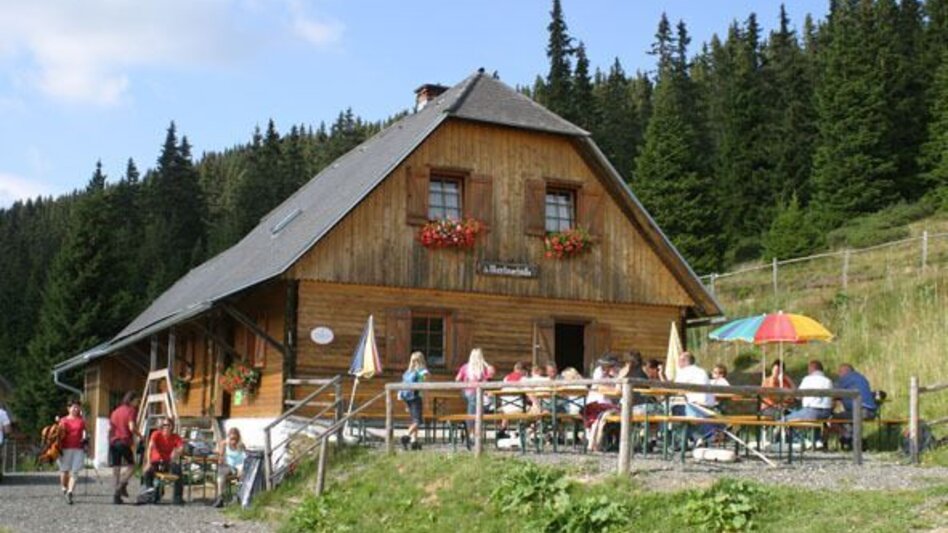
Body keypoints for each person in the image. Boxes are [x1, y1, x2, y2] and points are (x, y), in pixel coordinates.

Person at [673, 352, 715, 443]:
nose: (678, 363)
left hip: (696, 406)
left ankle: (678, 441)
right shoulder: (701, 371)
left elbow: (675, 389)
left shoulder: (684, 371)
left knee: (672, 410)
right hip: (708, 405)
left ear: (684, 361)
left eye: (679, 360)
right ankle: (695, 437)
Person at [142, 416, 185, 505]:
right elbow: (150, 448)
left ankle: (178, 497)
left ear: (172, 426)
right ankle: (150, 490)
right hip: (155, 461)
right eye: (164, 425)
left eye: (168, 425)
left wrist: (177, 451)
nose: (165, 427)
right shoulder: (156, 434)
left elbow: (181, 447)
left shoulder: (175, 437)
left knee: (177, 469)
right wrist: (148, 462)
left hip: (166, 462)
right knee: (148, 471)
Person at [835, 363, 878, 448]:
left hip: (862, 411)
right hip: (871, 412)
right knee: (847, 416)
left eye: (840, 372)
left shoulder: (847, 378)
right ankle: (853, 439)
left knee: (833, 418)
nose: (838, 375)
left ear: (846, 371)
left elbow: (834, 391)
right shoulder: (861, 378)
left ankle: (848, 437)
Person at [109, 391, 139, 504]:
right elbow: (131, 427)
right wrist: (139, 434)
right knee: (132, 466)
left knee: (116, 469)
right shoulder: (131, 410)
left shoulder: (115, 411)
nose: (137, 403)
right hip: (124, 441)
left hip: (113, 442)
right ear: (131, 400)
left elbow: (110, 428)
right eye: (137, 401)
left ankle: (116, 497)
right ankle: (121, 486)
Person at [454, 348, 495, 428]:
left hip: (469, 393)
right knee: (476, 400)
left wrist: (465, 384)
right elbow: (489, 378)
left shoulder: (466, 367)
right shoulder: (483, 368)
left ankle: (470, 426)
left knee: (476, 402)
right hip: (475, 394)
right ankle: (471, 426)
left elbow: (457, 379)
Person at [398, 352, 429, 451]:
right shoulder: (423, 372)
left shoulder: (407, 372)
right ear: (422, 360)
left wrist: (405, 403)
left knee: (414, 420)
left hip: (407, 398)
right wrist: (427, 400)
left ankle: (414, 441)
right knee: (417, 421)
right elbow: (423, 387)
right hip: (416, 398)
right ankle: (406, 436)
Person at [58, 400, 87, 505]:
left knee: (75, 472)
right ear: (68, 408)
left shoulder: (81, 421)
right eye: (74, 407)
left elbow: (85, 433)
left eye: (77, 407)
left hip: (78, 448)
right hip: (65, 449)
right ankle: (64, 488)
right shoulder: (63, 420)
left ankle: (70, 492)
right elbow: (58, 435)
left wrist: (86, 441)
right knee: (64, 471)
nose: (76, 409)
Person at [212, 428, 247, 508]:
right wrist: (220, 457)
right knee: (220, 478)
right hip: (227, 465)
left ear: (238, 438)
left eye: (235, 439)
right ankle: (220, 497)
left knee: (240, 478)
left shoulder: (241, 446)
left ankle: (238, 496)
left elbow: (245, 459)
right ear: (228, 437)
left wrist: (240, 468)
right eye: (231, 439)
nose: (233, 441)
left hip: (238, 466)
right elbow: (220, 457)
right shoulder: (224, 444)